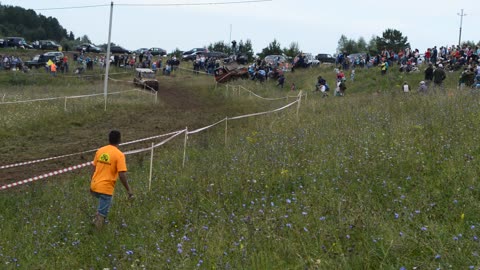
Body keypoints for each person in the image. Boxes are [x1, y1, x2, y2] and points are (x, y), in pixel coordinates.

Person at [90, 130, 133, 229]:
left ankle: (94, 223)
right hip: (105, 188)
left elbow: (93, 167)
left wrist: (91, 182)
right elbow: (121, 174)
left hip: (95, 185)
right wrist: (128, 190)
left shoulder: (100, 150)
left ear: (109, 139)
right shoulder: (119, 155)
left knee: (102, 207)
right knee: (102, 214)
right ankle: (97, 233)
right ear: (119, 140)